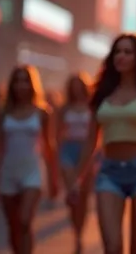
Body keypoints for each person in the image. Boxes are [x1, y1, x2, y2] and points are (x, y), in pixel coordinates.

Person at [69, 33, 136, 254]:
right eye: (117, 51)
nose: (121, 56)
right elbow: (91, 141)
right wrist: (76, 179)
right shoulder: (101, 94)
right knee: (113, 246)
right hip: (109, 173)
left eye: (128, 52)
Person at [0, 65, 57, 254]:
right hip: (8, 170)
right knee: (13, 225)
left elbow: (49, 146)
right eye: (17, 81)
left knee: (24, 220)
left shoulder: (43, 112)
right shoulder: (3, 113)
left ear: (32, 85)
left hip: (33, 171)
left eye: (25, 81)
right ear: (12, 85)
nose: (21, 85)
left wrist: (54, 178)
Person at [57, 73, 93, 253]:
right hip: (68, 150)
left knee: (83, 197)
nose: (76, 89)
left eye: (79, 85)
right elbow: (56, 135)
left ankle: (80, 233)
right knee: (73, 194)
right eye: (73, 85)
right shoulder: (64, 109)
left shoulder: (91, 107)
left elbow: (96, 134)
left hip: (86, 151)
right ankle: (75, 232)